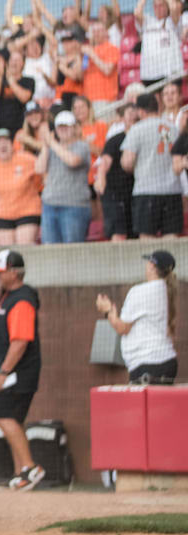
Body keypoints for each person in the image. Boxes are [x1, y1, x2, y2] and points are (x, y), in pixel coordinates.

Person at [0, 249, 46, 492]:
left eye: (2, 272)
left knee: (4, 416)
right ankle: (21, 473)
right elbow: (0, 333)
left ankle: (30, 468)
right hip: (7, 371)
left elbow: (20, 341)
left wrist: (2, 373)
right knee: (13, 419)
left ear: (15, 273)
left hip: (17, 373)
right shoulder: (7, 295)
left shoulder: (23, 299)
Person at [97, 250, 178, 383]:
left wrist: (107, 310)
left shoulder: (140, 291)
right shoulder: (167, 291)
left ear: (152, 265)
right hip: (167, 362)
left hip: (147, 364)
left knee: (141, 405)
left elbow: (122, 328)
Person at [121, 92, 183, 238]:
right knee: (171, 240)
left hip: (146, 192)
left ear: (141, 111)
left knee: (147, 240)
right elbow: (170, 151)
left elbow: (127, 162)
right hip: (171, 191)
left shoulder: (137, 129)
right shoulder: (171, 128)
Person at [37, 111, 92, 243]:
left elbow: (72, 161)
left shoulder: (82, 146)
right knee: (50, 251)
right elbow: (39, 168)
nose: (63, 130)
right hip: (50, 204)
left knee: (72, 251)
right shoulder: (51, 148)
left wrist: (52, 143)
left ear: (74, 127)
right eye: (60, 127)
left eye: (66, 126)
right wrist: (45, 146)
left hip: (74, 205)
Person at [96, 103, 138, 239]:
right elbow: (105, 161)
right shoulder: (115, 140)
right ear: (121, 118)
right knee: (118, 233)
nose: (132, 116)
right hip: (116, 194)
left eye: (134, 113)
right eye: (129, 113)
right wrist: (100, 177)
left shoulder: (142, 136)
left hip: (136, 194)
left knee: (136, 233)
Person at [136, 0, 184, 86]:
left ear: (166, 7)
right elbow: (137, 12)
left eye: (161, 5)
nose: (158, 9)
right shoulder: (147, 21)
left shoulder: (172, 21)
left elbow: (174, 8)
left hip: (169, 74)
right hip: (149, 75)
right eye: (155, 6)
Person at [0, 51, 36, 135]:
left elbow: (24, 98)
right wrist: (0, 75)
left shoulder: (28, 81)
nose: (14, 62)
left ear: (23, 63)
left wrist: (11, 80)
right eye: (12, 60)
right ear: (8, 62)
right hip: (1, 126)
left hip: (20, 127)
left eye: (18, 60)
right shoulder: (1, 80)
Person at [81, 22, 121, 115]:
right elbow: (82, 73)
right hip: (88, 100)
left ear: (106, 32)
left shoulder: (112, 48)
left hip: (105, 99)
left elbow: (107, 70)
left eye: (99, 30)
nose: (96, 33)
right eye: (94, 31)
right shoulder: (89, 50)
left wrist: (92, 54)